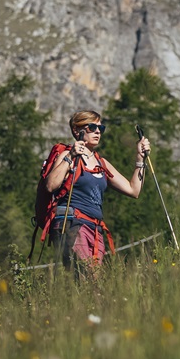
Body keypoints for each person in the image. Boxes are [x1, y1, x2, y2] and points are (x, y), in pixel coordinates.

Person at [39, 111, 151, 271]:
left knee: (91, 285)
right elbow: (51, 185)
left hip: (95, 229)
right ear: (77, 130)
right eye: (92, 127)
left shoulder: (101, 163)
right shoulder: (67, 155)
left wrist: (140, 159)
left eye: (101, 128)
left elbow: (133, 190)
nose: (98, 131)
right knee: (86, 278)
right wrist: (70, 155)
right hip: (72, 224)